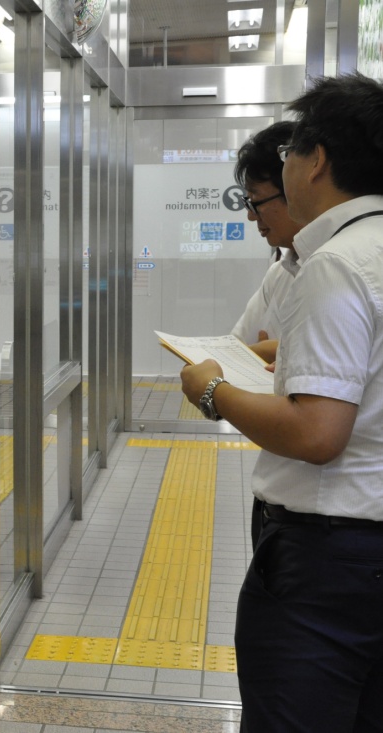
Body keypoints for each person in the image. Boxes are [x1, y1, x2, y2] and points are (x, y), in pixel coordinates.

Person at [179, 72, 383, 732]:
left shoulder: (338, 262)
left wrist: (212, 390)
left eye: (292, 151)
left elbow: (318, 433)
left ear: (315, 160)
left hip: (329, 561)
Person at [230, 121, 303, 354]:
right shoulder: (281, 271)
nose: (251, 216)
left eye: (256, 202)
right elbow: (237, 348)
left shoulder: (340, 264)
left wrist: (284, 355)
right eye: (248, 202)